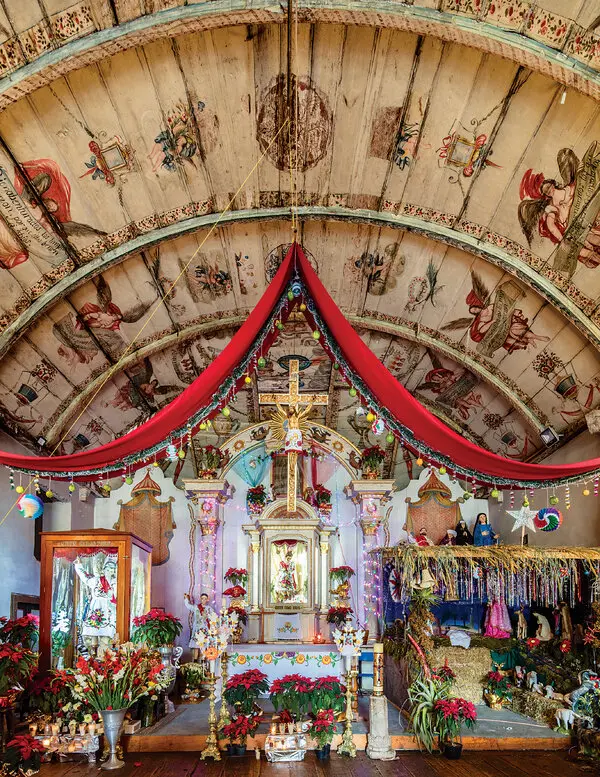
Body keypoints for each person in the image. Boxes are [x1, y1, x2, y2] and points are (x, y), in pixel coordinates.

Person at [74, 554, 117, 658]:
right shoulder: (96, 580)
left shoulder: (115, 583)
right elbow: (85, 577)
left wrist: (112, 594)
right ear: (104, 568)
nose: (110, 571)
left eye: (113, 569)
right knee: (93, 638)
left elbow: (118, 597)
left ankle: (103, 660)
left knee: (105, 639)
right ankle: (92, 661)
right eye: (109, 568)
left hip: (108, 611)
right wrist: (79, 566)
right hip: (96, 610)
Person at [184, 592, 215, 661]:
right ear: (200, 599)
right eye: (202, 598)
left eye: (205, 599)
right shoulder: (196, 607)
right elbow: (188, 606)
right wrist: (186, 599)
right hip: (197, 629)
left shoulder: (209, 609)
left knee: (204, 646)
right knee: (196, 646)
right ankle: (195, 662)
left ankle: (203, 661)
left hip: (205, 629)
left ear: (207, 600)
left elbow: (213, 618)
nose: (204, 600)